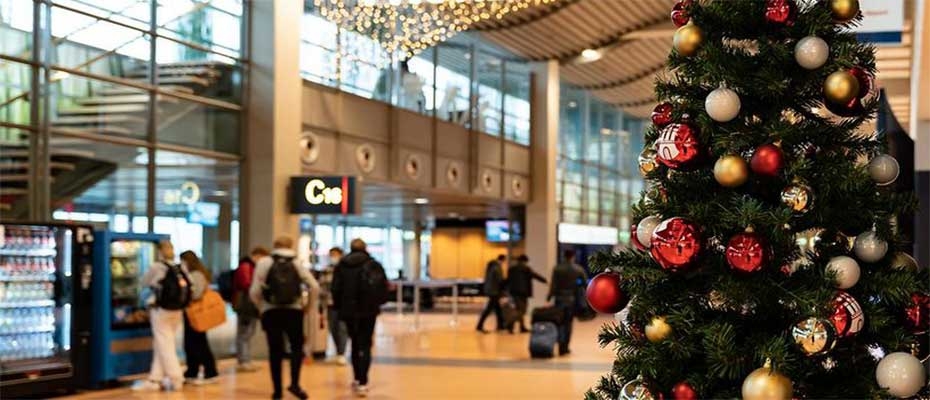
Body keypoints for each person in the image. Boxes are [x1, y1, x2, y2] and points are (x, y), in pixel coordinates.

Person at [249, 237, 318, 400]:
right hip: (293, 312)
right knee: (296, 348)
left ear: (274, 246)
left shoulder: (264, 262)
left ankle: (277, 390)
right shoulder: (297, 262)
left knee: (275, 351)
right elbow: (314, 286)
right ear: (291, 245)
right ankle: (295, 384)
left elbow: (254, 291)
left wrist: (261, 307)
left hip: (271, 312)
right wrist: (308, 306)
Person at [332, 239, 388, 398]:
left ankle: (357, 377)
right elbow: (383, 286)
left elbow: (335, 288)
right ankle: (363, 382)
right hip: (369, 310)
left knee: (355, 343)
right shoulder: (373, 264)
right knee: (366, 343)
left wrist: (338, 307)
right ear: (365, 249)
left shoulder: (341, 265)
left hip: (348, 311)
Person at [133, 240, 189, 391]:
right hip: (177, 310)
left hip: (161, 310)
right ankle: (155, 379)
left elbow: (143, 282)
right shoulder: (180, 267)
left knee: (165, 345)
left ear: (159, 252)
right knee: (161, 343)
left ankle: (176, 377)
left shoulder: (156, 267)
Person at [179, 251, 219, 385]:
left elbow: (196, 294)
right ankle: (192, 371)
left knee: (199, 343)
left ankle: (210, 372)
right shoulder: (195, 274)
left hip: (196, 313)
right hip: (192, 313)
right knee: (191, 343)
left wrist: (184, 295)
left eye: (183, 261)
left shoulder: (197, 275)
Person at [233, 246, 270, 372]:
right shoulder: (246, 267)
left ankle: (246, 359)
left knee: (248, 333)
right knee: (245, 333)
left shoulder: (251, 267)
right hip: (246, 305)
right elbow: (247, 284)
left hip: (249, 305)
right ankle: (243, 360)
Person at [548, 249, 587, 356]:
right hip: (571, 300)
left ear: (564, 256)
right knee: (568, 324)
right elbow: (585, 284)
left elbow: (553, 285)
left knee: (559, 322)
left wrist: (548, 297)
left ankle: (560, 345)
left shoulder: (557, 269)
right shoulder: (578, 269)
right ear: (573, 256)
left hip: (559, 299)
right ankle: (565, 347)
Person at [318, 247, 349, 365]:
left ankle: (342, 353)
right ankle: (338, 350)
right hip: (330, 304)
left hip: (342, 304)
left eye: (336, 254)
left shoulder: (346, 269)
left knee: (342, 328)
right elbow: (321, 288)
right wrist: (321, 306)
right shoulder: (326, 270)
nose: (333, 257)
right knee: (333, 328)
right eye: (331, 254)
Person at [505, 254, 547, 333]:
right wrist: (545, 281)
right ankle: (510, 323)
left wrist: (502, 288)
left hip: (513, 292)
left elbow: (508, 280)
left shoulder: (511, 269)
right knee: (522, 310)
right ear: (524, 261)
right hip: (523, 292)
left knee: (519, 309)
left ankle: (522, 327)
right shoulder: (526, 268)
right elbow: (535, 275)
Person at [476, 254, 506, 333]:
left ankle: (501, 326)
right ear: (502, 260)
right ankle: (479, 325)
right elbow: (500, 280)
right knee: (489, 309)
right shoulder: (497, 267)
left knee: (498, 309)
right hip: (494, 291)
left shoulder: (492, 266)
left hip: (491, 290)